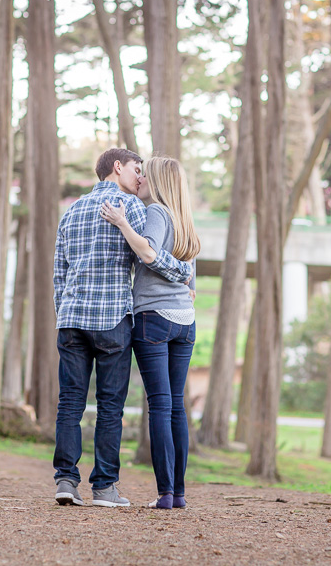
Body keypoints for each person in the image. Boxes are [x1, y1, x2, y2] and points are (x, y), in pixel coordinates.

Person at [52, 148, 193, 508]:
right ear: (118, 167)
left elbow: (59, 271)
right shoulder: (132, 208)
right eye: (136, 168)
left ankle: (66, 481)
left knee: (69, 402)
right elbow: (148, 256)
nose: (140, 176)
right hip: (112, 318)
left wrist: (63, 313)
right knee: (110, 405)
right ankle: (104, 487)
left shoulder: (71, 211)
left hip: (71, 319)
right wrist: (185, 276)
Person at [100, 155, 200, 510]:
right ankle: (180, 493)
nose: (138, 179)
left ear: (157, 180)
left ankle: (166, 492)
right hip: (184, 320)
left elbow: (148, 253)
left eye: (145, 174)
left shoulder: (157, 211)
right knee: (176, 407)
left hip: (154, 317)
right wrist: (187, 284)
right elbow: (190, 273)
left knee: (159, 404)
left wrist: (123, 223)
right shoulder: (185, 218)